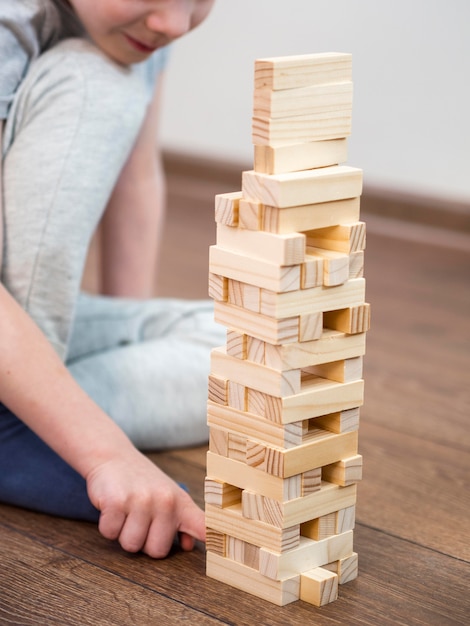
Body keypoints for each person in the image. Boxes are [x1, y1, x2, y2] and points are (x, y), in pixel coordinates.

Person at [0, 0, 224, 559]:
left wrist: (132, 330)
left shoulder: (136, 33)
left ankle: (34, 414)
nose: (175, 23)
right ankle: (20, 424)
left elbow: (137, 177)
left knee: (253, 355)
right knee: (96, 79)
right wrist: (106, 455)